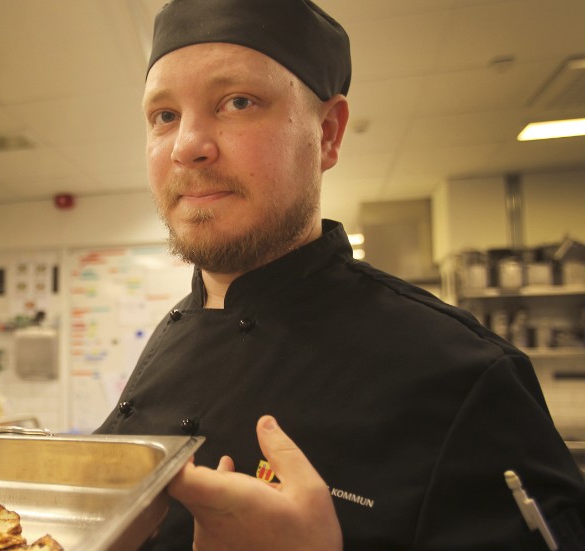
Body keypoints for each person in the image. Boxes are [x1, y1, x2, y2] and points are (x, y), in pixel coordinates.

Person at [93, 0, 585, 549]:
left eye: (237, 102)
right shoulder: (171, 336)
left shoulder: (465, 378)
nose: (187, 145)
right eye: (164, 116)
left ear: (327, 133)